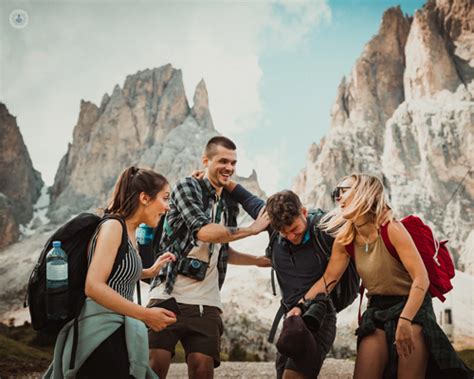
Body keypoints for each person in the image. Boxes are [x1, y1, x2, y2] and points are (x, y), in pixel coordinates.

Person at [305, 173, 472, 379]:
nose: (337, 197)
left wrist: (405, 320)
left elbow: (422, 278)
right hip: (377, 309)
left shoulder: (391, 229)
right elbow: (328, 279)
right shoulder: (345, 238)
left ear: (364, 192)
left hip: (412, 307)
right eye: (335, 193)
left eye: (342, 191)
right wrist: (299, 306)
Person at [147, 136, 270, 379]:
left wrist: (256, 260)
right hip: (168, 293)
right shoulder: (186, 187)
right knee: (154, 367)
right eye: (223, 161)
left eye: (234, 163)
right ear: (206, 160)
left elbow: (223, 248)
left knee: (203, 369)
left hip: (207, 301)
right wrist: (251, 230)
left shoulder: (228, 203)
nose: (230, 168)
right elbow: (203, 231)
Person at [45, 166, 177, 378]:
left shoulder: (130, 231)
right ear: (144, 197)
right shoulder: (114, 227)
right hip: (100, 332)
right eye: (165, 198)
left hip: (117, 328)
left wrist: (149, 271)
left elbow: (116, 272)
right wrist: (146, 315)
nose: (168, 207)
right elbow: (94, 286)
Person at [225, 182, 338, 379]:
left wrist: (302, 306)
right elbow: (246, 198)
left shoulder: (324, 229)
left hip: (318, 316)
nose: (291, 236)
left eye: (295, 228)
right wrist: (221, 179)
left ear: (303, 211)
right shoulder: (274, 227)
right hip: (291, 319)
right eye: (284, 233)